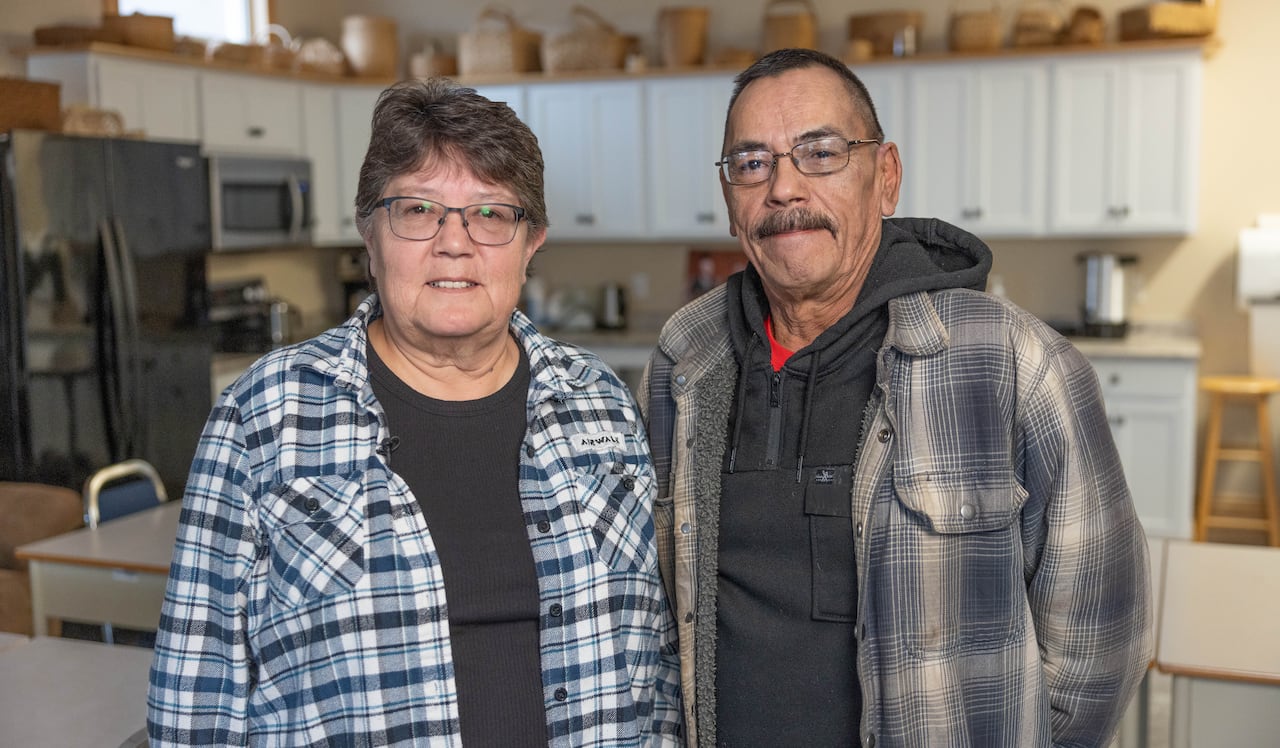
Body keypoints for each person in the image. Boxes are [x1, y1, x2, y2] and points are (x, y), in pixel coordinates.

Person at [639, 48, 1151, 747]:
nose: (784, 188)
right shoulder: (683, 360)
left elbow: (1098, 645)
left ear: (885, 178)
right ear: (730, 199)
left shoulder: (1014, 362)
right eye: (752, 163)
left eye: (819, 153)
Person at [148, 78, 681, 747]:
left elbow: (658, 669)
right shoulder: (263, 419)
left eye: (490, 213)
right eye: (419, 209)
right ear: (369, 235)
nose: (454, 242)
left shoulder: (601, 406)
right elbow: (194, 707)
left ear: (531, 244)